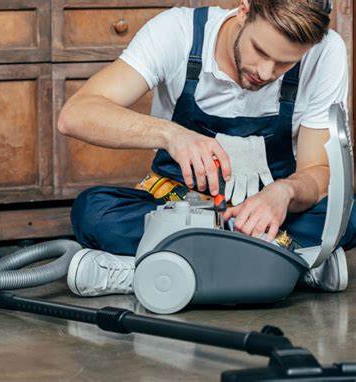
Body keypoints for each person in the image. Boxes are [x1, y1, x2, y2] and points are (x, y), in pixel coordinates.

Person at [58, 0, 355, 297]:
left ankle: (145, 271)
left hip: (270, 216)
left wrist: (284, 193)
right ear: (244, 10)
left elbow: (317, 172)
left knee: (348, 216)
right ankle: (291, 264)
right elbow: (76, 115)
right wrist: (171, 135)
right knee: (94, 212)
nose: (266, 72)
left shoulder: (325, 52)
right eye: (261, 51)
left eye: (285, 63)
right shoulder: (178, 31)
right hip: (179, 210)